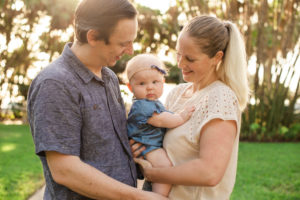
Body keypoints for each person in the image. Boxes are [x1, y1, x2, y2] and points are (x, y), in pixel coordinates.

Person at [27, 0, 168, 199]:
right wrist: (140, 197)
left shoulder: (109, 77)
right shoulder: (55, 83)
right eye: (123, 43)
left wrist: (130, 152)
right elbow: (65, 170)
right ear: (93, 36)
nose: (130, 50)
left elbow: (103, 144)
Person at [132, 15, 249, 200]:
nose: (180, 64)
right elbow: (155, 138)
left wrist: (153, 174)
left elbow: (209, 173)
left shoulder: (221, 98)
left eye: (190, 59)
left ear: (216, 57)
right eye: (178, 54)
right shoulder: (176, 93)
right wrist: (137, 148)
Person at [125, 54, 195, 196]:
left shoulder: (153, 103)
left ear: (163, 82)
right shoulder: (141, 106)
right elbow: (163, 120)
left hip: (150, 144)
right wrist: (181, 116)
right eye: (142, 84)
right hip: (147, 146)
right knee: (164, 167)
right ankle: (158, 196)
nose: (150, 87)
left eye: (155, 82)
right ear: (130, 87)